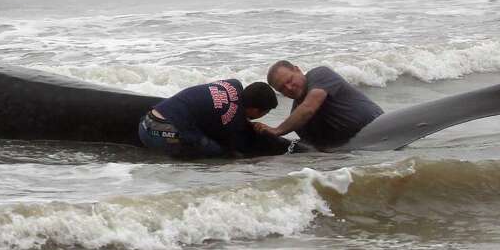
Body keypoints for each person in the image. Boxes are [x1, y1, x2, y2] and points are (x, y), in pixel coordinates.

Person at [255, 60, 383, 149]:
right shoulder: (298, 121)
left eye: (289, 80)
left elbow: (309, 107)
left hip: (381, 125)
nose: (289, 87)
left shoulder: (320, 75)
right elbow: (323, 150)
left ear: (297, 70)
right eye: (282, 88)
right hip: (362, 146)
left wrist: (277, 130)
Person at [138, 80, 281, 158]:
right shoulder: (233, 121)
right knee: (219, 152)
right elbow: (237, 144)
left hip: (146, 121)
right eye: (264, 113)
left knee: (196, 132)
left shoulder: (233, 84)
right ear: (256, 110)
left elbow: (223, 109)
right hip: (158, 134)